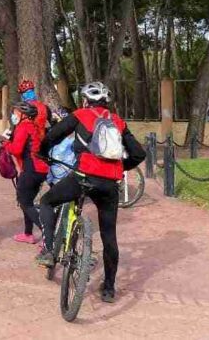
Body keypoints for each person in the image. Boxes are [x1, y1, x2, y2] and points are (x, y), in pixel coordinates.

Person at [37, 82, 146, 303]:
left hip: (83, 177)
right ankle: (108, 289)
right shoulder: (118, 122)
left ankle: (49, 250)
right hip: (109, 185)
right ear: (107, 103)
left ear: (86, 101)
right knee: (109, 235)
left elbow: (52, 137)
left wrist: (42, 153)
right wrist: (118, 168)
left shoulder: (80, 115)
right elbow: (138, 154)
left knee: (47, 201)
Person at [3, 101, 49, 245]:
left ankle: (48, 234)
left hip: (31, 169)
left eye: (15, 112)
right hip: (39, 169)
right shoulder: (33, 126)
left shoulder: (23, 126)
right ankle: (28, 234)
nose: (13, 115)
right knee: (27, 201)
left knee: (25, 202)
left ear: (23, 115)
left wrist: (5, 143)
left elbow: (16, 149)